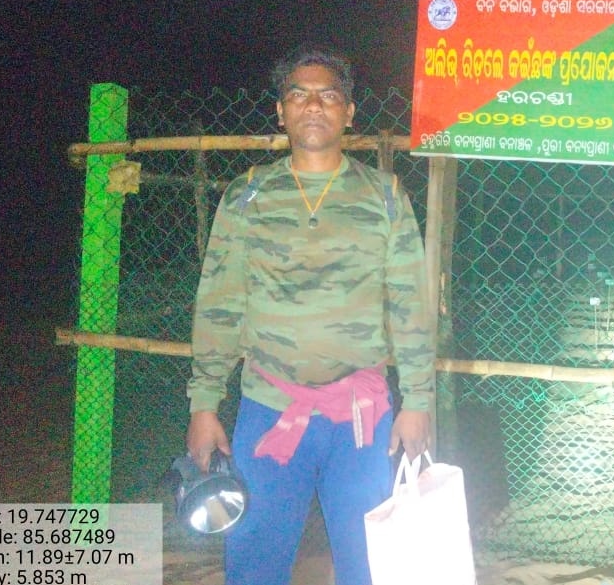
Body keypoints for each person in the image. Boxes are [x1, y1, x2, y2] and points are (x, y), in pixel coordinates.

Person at [186, 45, 434, 585]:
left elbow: (411, 304)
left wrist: (419, 400)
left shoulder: (384, 195)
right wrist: (204, 404)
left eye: (328, 96)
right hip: (270, 407)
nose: (313, 106)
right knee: (253, 558)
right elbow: (220, 302)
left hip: (362, 418)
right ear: (281, 111)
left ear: (349, 112)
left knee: (369, 561)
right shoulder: (249, 195)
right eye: (298, 95)